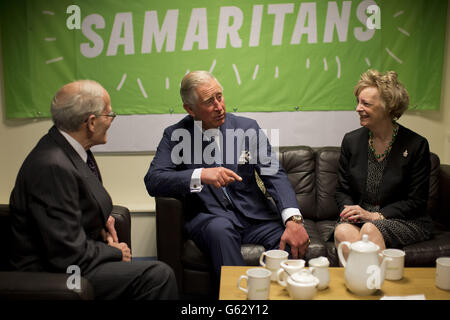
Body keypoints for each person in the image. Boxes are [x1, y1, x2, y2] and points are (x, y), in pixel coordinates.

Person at [9, 80, 178, 300]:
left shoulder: (71, 148)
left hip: (73, 259)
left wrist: (99, 220)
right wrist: (116, 252)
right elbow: (66, 254)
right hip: (57, 272)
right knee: (158, 276)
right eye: (109, 115)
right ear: (90, 122)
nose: (111, 120)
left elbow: (74, 205)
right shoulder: (52, 166)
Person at [144, 71, 310, 283]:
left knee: (288, 241)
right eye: (209, 101)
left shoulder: (247, 127)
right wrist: (201, 175)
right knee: (221, 231)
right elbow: (153, 180)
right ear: (190, 109)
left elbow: (273, 173)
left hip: (255, 217)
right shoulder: (175, 135)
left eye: (219, 97)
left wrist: (293, 219)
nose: (219, 106)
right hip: (210, 217)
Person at [334, 70, 433, 259]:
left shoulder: (416, 145)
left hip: (403, 219)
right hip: (361, 217)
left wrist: (375, 216)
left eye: (366, 104)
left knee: (370, 230)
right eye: (358, 102)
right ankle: (363, 285)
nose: (358, 108)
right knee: (343, 232)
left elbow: (416, 200)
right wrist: (350, 211)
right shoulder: (351, 141)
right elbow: (342, 190)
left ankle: (370, 284)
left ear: (389, 107)